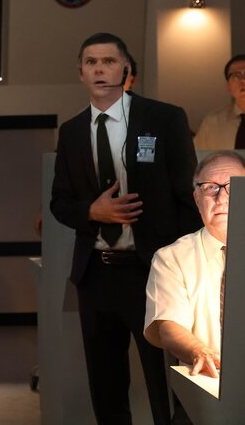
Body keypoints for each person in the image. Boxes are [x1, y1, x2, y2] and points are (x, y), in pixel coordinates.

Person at [50, 32, 202, 425]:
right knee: (106, 381)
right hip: (96, 273)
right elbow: (60, 204)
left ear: (126, 70)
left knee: (165, 378)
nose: (100, 69)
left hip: (152, 270)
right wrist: (93, 212)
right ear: (81, 72)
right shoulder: (70, 131)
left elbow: (188, 199)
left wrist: (176, 260)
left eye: (109, 61)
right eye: (91, 62)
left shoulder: (165, 118)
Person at [145, 151, 243, 383]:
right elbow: (169, 326)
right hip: (210, 381)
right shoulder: (171, 258)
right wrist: (200, 351)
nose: (222, 198)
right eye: (210, 188)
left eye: (233, 186)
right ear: (197, 199)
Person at [194, 54, 245, 151]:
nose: (243, 80)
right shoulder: (213, 122)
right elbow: (197, 159)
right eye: (236, 76)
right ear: (228, 86)